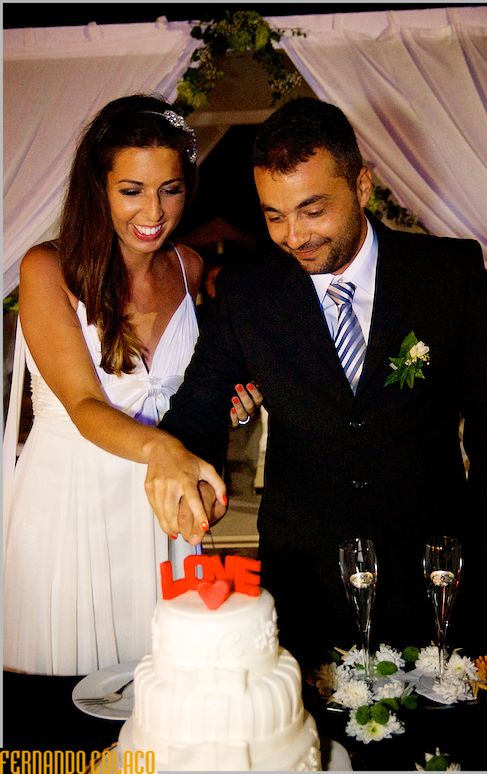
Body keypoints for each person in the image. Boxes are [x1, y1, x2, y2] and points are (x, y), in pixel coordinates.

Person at [155, 97, 487, 670]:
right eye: (274, 216)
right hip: (306, 588)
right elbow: (197, 406)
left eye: (312, 210)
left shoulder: (450, 276)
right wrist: (183, 467)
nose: (293, 236)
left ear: (361, 186)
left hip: (436, 581)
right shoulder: (247, 295)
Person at [2, 93, 261, 676]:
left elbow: (188, 398)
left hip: (158, 506)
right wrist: (166, 451)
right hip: (70, 507)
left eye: (170, 189)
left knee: (165, 693)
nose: (154, 211)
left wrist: (228, 411)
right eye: (131, 190)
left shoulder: (188, 268)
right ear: (98, 189)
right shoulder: (47, 269)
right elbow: (83, 403)